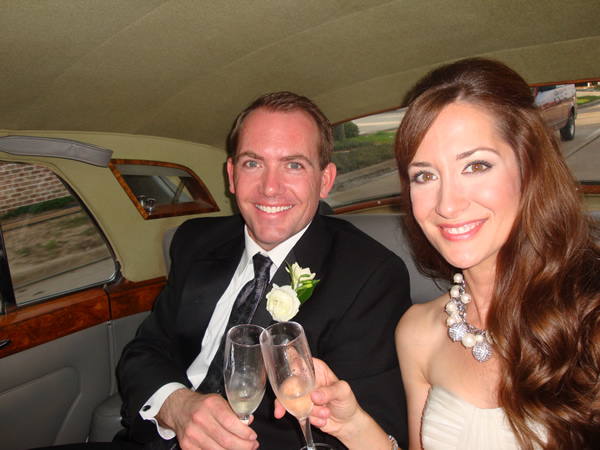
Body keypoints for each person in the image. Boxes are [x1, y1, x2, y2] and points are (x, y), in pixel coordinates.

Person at [292, 58, 600, 449]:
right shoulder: (418, 333)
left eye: (476, 165)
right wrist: (352, 425)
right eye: (424, 175)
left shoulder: (589, 317)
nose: (447, 205)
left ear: (529, 167)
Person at [116, 91, 412, 449]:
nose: (270, 188)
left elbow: (370, 428)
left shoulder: (370, 276)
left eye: (294, 165)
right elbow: (144, 351)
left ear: (325, 180)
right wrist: (177, 407)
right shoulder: (195, 242)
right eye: (253, 163)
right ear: (231, 175)